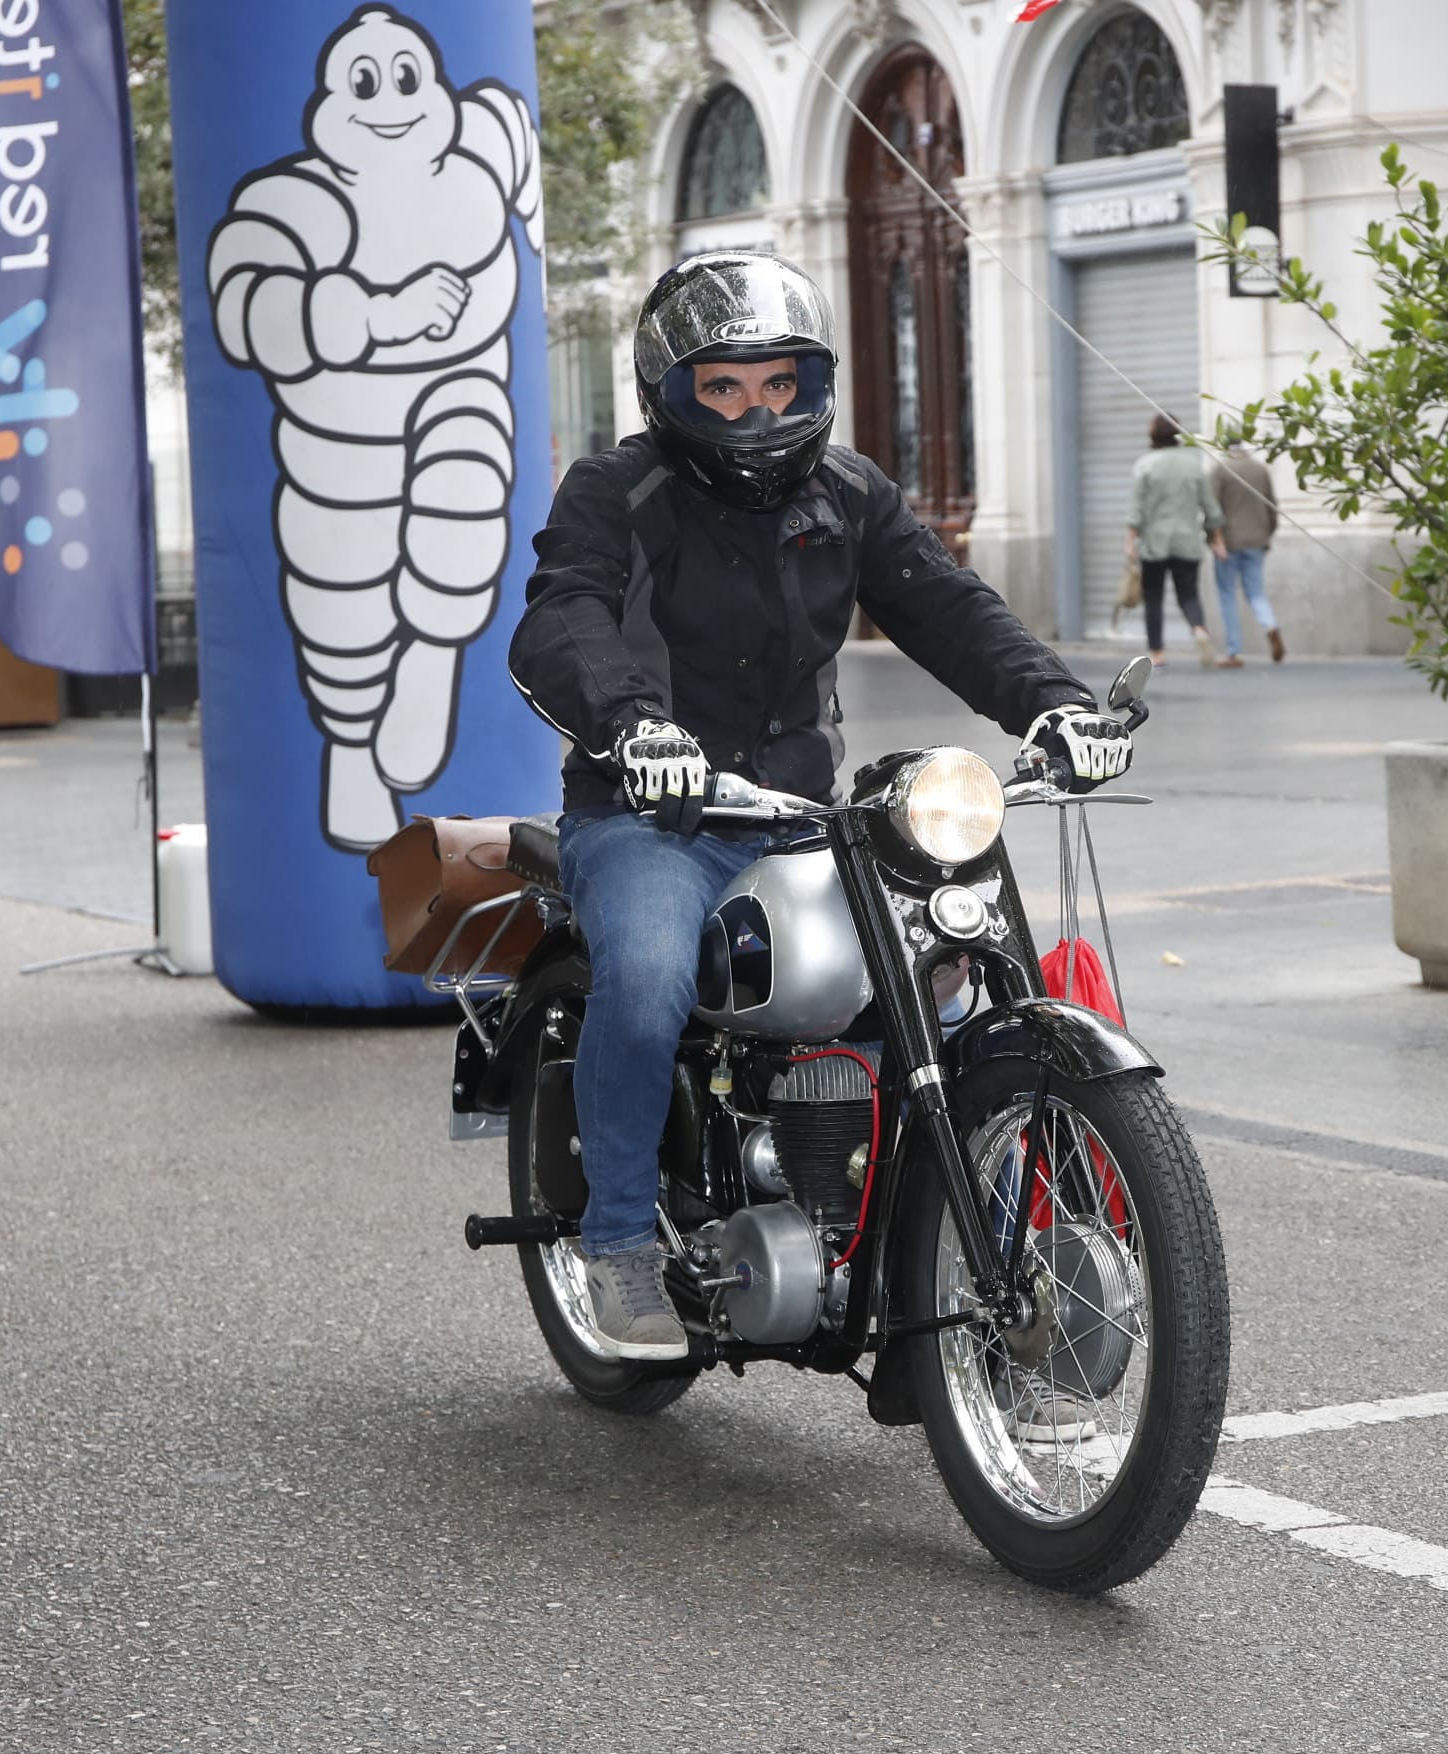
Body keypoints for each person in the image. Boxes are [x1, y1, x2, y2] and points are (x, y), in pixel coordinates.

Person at [509, 252, 1137, 1359]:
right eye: (726, 387)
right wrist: (636, 728)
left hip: (807, 813)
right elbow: (561, 619)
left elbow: (947, 606)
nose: (759, 408)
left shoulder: (847, 491)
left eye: (778, 382)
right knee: (649, 978)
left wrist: (1054, 706)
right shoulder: (620, 492)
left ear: (811, 382)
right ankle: (615, 1244)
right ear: (672, 389)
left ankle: (947, 1222)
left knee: (950, 983)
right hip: (658, 815)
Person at [1125, 415, 1226, 667]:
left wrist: (1130, 541)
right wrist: (1216, 538)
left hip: (1154, 543)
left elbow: (1137, 509)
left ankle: (1157, 652)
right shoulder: (1193, 465)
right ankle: (1199, 629)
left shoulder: (1145, 465)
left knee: (1154, 597)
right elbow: (1210, 508)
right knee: (1189, 595)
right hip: (1187, 541)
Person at [1208, 426, 1285, 664]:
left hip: (1228, 543)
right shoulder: (1260, 469)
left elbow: (1212, 509)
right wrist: (1267, 534)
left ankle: (1234, 651)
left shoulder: (1220, 470)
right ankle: (1270, 625)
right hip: (1256, 541)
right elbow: (1272, 505)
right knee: (1255, 592)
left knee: (1228, 594)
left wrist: (1213, 539)